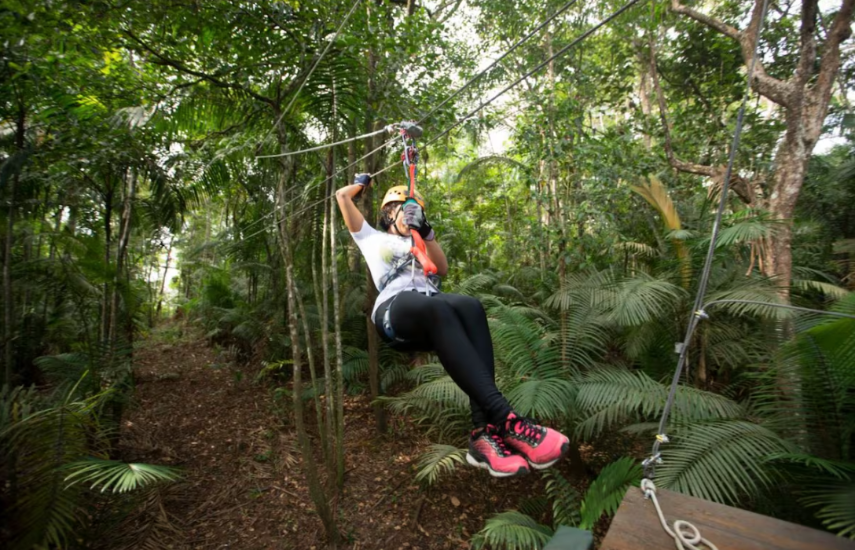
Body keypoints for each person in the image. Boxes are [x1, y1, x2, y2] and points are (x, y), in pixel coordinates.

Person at [335, 173, 569, 478]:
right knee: (436, 305)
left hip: (432, 313)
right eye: (401, 208)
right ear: (387, 213)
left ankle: (482, 434)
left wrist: (426, 231)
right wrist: (362, 183)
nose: (407, 213)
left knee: (470, 306)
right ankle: (507, 419)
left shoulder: (420, 241)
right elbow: (342, 197)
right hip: (395, 311)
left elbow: (441, 269)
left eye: (412, 209)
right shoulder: (372, 238)